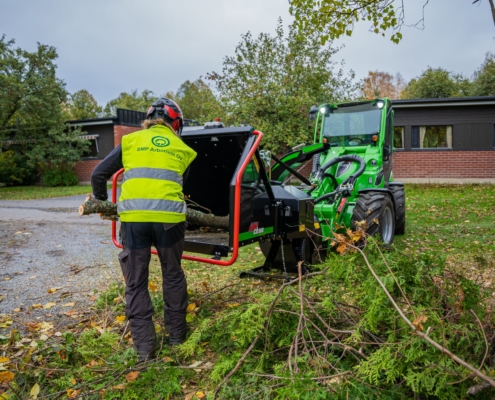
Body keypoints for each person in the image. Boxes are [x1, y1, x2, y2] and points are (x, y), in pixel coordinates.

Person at [91, 98, 197, 361]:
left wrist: (104, 205)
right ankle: (176, 339)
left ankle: (145, 350)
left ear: (149, 119)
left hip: (134, 221)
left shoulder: (130, 142)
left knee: (136, 282)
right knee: (172, 275)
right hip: (169, 221)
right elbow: (185, 189)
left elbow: (97, 174)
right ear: (176, 123)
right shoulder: (183, 148)